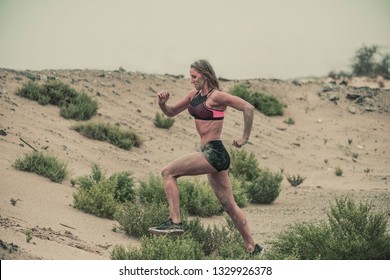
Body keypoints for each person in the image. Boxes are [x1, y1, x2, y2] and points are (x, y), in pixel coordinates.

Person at [152, 59, 262, 254]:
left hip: (214, 151)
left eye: (194, 77)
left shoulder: (217, 96)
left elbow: (248, 107)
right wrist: (162, 104)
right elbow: (170, 113)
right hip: (211, 154)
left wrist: (245, 137)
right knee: (228, 205)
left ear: (205, 75)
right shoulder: (192, 96)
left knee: (168, 172)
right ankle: (252, 247)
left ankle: (174, 222)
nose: (191, 80)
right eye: (190, 77)